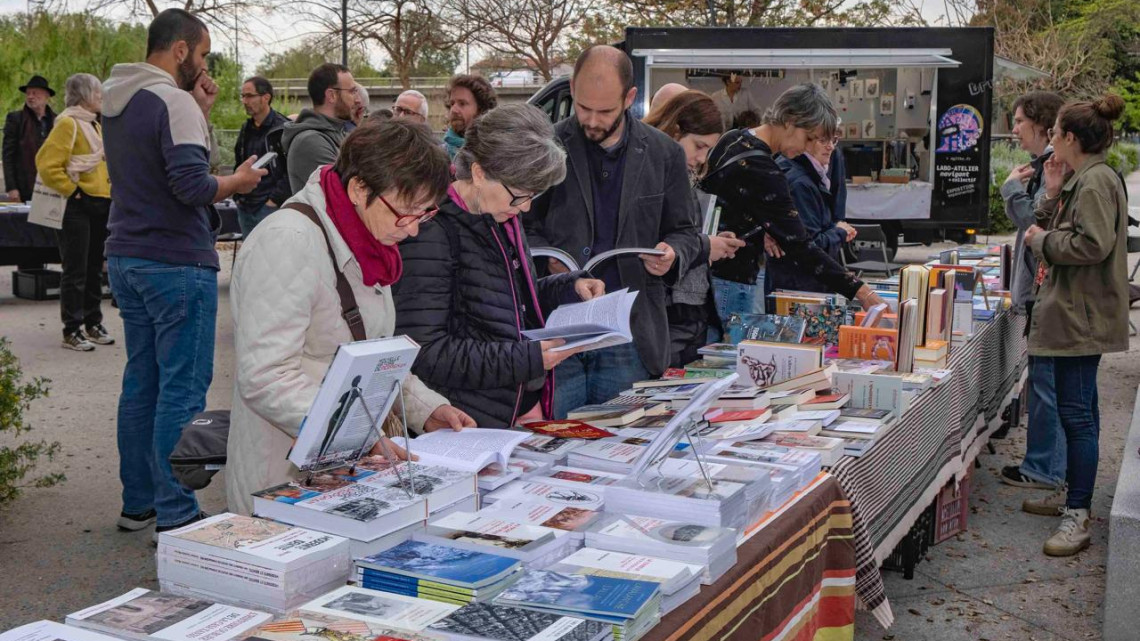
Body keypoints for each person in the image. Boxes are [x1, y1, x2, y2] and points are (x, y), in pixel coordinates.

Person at [226, 120, 476, 516]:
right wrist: (358, 436)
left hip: (340, 470)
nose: (412, 231)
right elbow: (266, 376)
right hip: (286, 475)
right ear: (359, 188)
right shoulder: (288, 242)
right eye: (405, 213)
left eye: (423, 215)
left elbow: (371, 355)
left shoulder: (366, 241)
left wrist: (426, 409)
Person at [102, 8, 267, 536]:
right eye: (201, 53)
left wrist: (198, 108)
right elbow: (192, 187)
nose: (204, 63)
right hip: (175, 261)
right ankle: (178, 516)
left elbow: (157, 167)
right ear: (180, 50)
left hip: (126, 254)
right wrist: (239, 182)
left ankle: (139, 504)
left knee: (142, 384)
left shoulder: (118, 99)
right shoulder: (171, 102)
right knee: (180, 391)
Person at [394, 104, 605, 427]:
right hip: (464, 419)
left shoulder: (497, 214)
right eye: (519, 195)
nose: (526, 207)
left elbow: (511, 301)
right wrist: (527, 359)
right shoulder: (433, 231)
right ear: (479, 173)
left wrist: (568, 287)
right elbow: (425, 352)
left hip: (509, 406)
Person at [524, 45, 703, 417]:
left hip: (630, 331)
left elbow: (686, 230)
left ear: (630, 98)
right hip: (559, 326)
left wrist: (671, 253)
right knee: (554, 443)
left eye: (604, 111)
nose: (591, 120)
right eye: (583, 107)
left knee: (620, 443)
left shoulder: (664, 153)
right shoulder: (546, 146)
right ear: (572, 88)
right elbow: (521, 225)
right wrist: (547, 263)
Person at [1022, 94, 1129, 557]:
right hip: (1073, 313)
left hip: (1079, 316)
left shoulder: (1096, 182)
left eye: (1054, 134)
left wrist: (1043, 240)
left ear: (1069, 137)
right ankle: (1073, 497)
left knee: (1078, 416)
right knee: (1077, 409)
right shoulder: (1081, 178)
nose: (1049, 142)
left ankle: (1078, 514)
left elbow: (1093, 243)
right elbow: (1065, 227)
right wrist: (1049, 192)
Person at [700, 83, 885, 318]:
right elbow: (801, 246)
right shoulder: (765, 169)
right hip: (731, 282)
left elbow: (731, 205)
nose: (808, 148)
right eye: (809, 138)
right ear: (789, 120)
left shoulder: (734, 138)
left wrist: (766, 228)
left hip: (707, 277)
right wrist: (860, 291)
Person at [997, 91, 1067, 501]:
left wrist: (1009, 189)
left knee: (1047, 385)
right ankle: (1044, 465)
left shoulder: (1055, 166)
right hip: (1039, 289)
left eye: (1020, 120)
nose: (1014, 129)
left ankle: (1044, 468)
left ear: (1042, 124)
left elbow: (1036, 225)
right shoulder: (1045, 166)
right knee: (1046, 383)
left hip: (1047, 292)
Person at [642, 90, 745, 365]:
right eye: (699, 146)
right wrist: (706, 245)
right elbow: (659, 242)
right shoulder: (647, 173)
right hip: (669, 311)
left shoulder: (677, 173)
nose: (702, 158)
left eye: (708, 150)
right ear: (674, 130)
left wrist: (708, 242)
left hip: (688, 309)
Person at [34, 73, 112, 352]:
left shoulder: (93, 124)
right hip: (77, 205)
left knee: (93, 268)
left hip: (100, 202)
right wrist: (72, 190)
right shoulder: (68, 123)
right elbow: (46, 163)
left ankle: (93, 322)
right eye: (97, 92)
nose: (101, 97)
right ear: (84, 94)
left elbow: (98, 163)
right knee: (75, 269)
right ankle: (72, 328)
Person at [768, 132, 858, 294]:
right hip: (801, 286)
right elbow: (810, 245)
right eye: (823, 140)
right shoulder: (801, 183)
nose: (830, 146)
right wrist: (839, 232)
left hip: (798, 282)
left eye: (833, 140)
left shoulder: (805, 174)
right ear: (805, 141)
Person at [282, 63, 357, 193]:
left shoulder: (338, 131)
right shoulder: (310, 141)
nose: (356, 99)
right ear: (331, 95)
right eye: (352, 91)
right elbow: (347, 191)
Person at [234, 75, 290, 237]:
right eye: (243, 96)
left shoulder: (282, 128)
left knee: (273, 258)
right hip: (245, 207)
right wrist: (238, 196)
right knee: (251, 259)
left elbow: (291, 169)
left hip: (269, 208)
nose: (245, 101)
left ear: (266, 97)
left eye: (250, 96)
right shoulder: (246, 129)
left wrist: (274, 200)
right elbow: (239, 162)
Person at [3, 75, 57, 202]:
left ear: (46, 96)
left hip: (51, 187)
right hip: (25, 186)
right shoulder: (16, 119)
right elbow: (8, 155)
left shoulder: (57, 121)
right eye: (28, 93)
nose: (30, 97)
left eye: (35, 93)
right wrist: (12, 187)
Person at [443, 74, 497, 159]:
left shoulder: (497, 155)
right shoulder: (438, 156)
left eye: (462, 104)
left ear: (481, 109)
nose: (453, 110)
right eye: (452, 103)